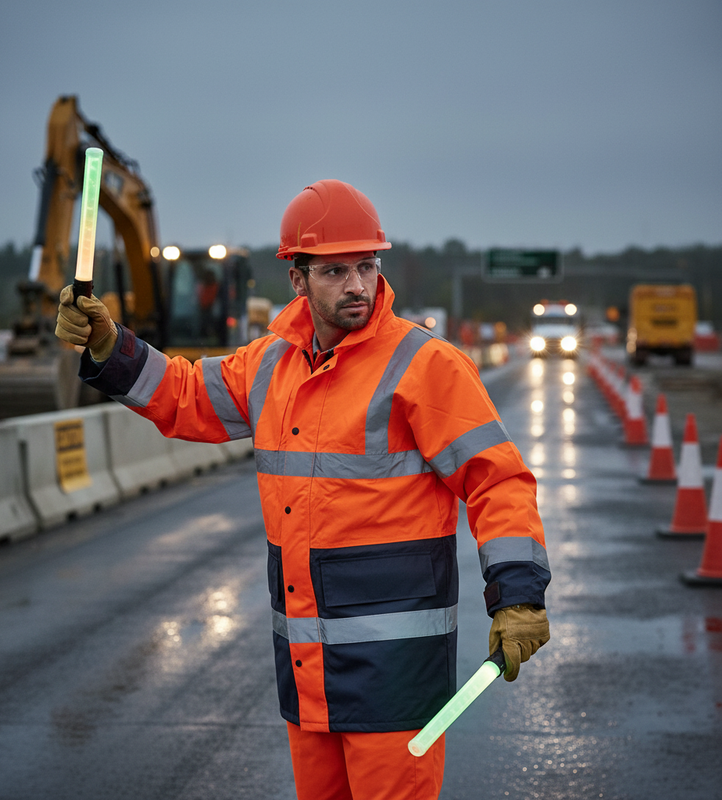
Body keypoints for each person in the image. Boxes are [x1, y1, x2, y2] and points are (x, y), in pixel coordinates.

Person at [55, 179, 551, 800]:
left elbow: (497, 480)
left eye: (367, 266)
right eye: (337, 271)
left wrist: (518, 596)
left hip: (396, 677)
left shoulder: (426, 366)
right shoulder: (269, 366)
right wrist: (109, 344)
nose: (357, 286)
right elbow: (182, 396)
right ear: (297, 279)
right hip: (309, 677)